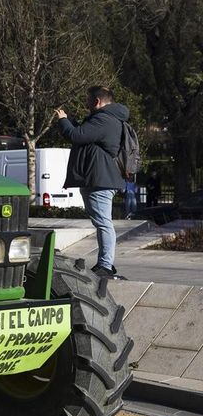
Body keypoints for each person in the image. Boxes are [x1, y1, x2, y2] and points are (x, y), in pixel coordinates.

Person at [55, 86, 129, 280]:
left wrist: (63, 120)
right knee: (102, 221)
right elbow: (82, 134)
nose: (86, 104)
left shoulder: (104, 119)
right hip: (99, 178)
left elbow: (76, 136)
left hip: (100, 179)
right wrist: (70, 122)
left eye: (88, 101)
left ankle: (105, 265)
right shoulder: (108, 118)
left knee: (103, 222)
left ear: (97, 101)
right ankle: (105, 264)